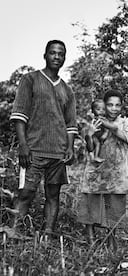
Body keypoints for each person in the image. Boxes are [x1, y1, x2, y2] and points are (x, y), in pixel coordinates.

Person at [10, 40, 77, 236]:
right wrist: (23, 145)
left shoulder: (67, 90)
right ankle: (12, 236)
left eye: (61, 54)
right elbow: (19, 115)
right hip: (33, 149)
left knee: (53, 195)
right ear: (45, 55)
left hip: (58, 152)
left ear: (64, 58)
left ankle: (47, 236)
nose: (57, 57)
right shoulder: (30, 80)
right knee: (26, 193)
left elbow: (71, 124)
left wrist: (70, 148)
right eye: (53, 53)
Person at [78, 90, 128, 250]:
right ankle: (91, 241)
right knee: (90, 207)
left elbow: (124, 137)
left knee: (114, 209)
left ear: (122, 106)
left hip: (116, 174)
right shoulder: (93, 123)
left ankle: (111, 242)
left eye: (117, 105)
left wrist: (106, 123)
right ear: (104, 105)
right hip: (95, 172)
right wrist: (89, 134)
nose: (113, 108)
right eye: (110, 105)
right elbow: (89, 148)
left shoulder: (126, 122)